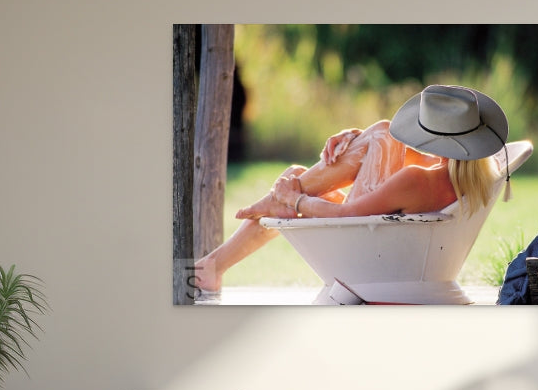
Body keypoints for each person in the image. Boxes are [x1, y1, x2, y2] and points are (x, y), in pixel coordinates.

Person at [193, 85, 508, 296]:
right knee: (383, 133)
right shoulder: (478, 173)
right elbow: (411, 151)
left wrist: (294, 198)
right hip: (395, 248)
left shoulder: (417, 180)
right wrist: (360, 139)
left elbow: (344, 213)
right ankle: (215, 264)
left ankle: (263, 213)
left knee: (297, 176)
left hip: (365, 248)